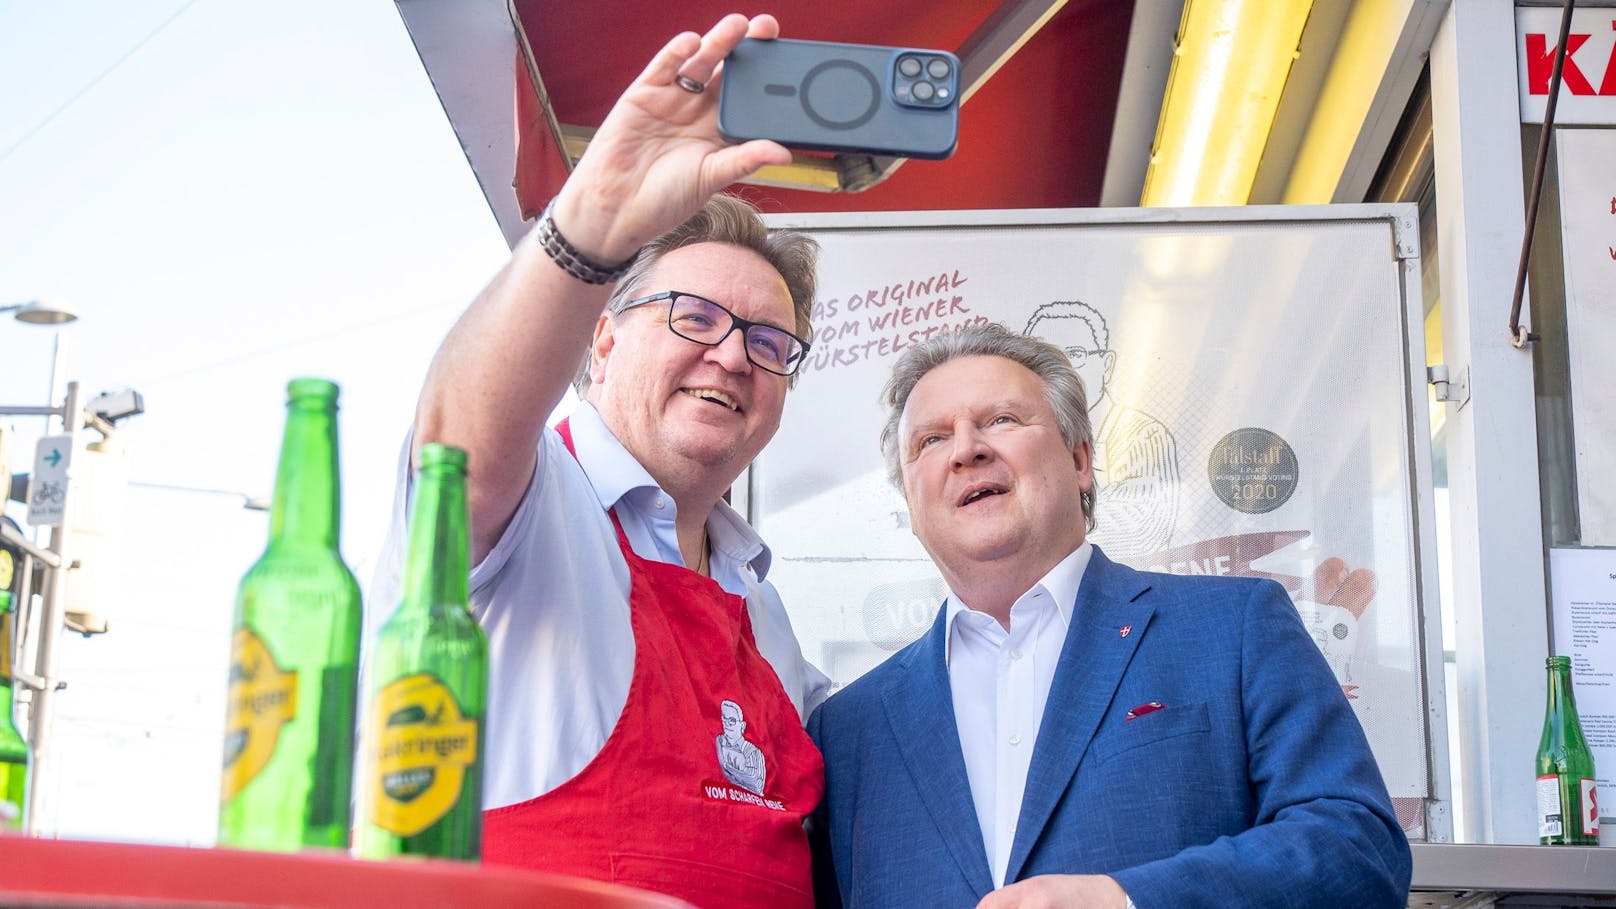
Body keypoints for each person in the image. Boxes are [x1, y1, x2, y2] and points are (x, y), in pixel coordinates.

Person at [370, 14, 829, 908]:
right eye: (694, 318)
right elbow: (452, 448)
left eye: (770, 341)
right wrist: (591, 227)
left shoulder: (764, 607)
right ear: (604, 338)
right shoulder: (535, 503)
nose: (733, 356)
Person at [808, 323, 1411, 909]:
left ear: (1079, 461)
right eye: (932, 440)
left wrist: (1129, 901)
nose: (967, 448)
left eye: (1001, 420)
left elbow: (1358, 850)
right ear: (910, 502)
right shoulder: (847, 731)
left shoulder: (1235, 628)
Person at [1022, 301, 1178, 556]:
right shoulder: (1014, 445)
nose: (1059, 370)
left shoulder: (1145, 434)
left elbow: (1143, 530)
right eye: (1041, 362)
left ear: (1106, 364)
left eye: (1075, 354)